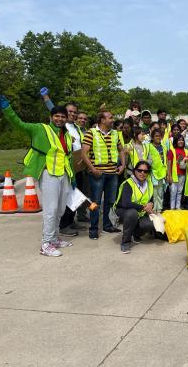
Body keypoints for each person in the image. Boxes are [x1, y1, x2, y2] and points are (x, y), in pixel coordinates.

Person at [0, 95, 75, 256]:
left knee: (60, 209)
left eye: (62, 116)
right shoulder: (40, 129)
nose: (60, 119)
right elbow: (18, 124)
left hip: (64, 176)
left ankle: (54, 239)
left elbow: (67, 158)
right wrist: (7, 109)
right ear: (51, 117)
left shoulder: (66, 135)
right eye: (57, 116)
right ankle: (46, 244)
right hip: (48, 175)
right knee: (51, 209)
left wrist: (72, 178)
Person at [40, 89, 86, 235]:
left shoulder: (78, 128)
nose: (72, 114)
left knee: (75, 196)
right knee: (65, 198)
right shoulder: (62, 125)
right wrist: (46, 97)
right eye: (70, 112)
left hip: (78, 166)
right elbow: (53, 110)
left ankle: (71, 221)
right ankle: (63, 226)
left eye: (75, 112)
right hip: (64, 166)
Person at [81, 109, 126, 239]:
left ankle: (107, 226)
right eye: (110, 117)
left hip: (112, 174)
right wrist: (93, 169)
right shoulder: (91, 133)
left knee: (110, 201)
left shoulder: (115, 134)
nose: (112, 120)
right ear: (102, 120)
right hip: (97, 174)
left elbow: (121, 150)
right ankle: (93, 229)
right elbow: (84, 154)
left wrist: (122, 165)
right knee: (95, 202)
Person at [114, 161, 155, 254]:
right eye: (139, 170)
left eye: (145, 171)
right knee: (132, 213)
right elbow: (125, 203)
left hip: (139, 212)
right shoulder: (128, 183)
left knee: (150, 224)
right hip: (122, 211)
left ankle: (136, 234)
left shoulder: (149, 184)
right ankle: (125, 242)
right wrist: (143, 207)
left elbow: (151, 199)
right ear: (134, 171)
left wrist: (151, 204)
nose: (142, 173)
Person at [148, 129, 168, 213]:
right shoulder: (148, 146)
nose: (158, 137)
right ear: (152, 137)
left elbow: (166, 160)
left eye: (159, 136)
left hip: (162, 173)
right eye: (156, 136)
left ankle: (159, 209)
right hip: (152, 174)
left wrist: (167, 173)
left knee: (160, 192)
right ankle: (153, 210)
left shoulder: (164, 147)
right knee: (153, 193)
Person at [167, 135, 188, 210]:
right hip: (174, 175)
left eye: (182, 140)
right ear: (176, 141)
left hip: (182, 174)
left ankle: (178, 207)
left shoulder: (186, 151)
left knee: (179, 192)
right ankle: (172, 208)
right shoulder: (172, 150)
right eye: (179, 140)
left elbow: (187, 163)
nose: (181, 141)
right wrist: (169, 175)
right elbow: (169, 164)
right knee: (173, 192)